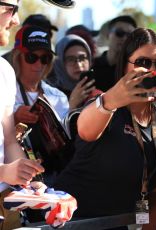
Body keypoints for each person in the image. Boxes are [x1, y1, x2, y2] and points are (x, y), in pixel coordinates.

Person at [54, 28, 156, 229]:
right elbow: (86, 130)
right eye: (143, 63)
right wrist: (111, 100)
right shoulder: (104, 105)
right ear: (124, 67)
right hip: (69, 221)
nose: (153, 71)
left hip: (115, 223)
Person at [0, 1, 45, 229]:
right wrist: (4, 172)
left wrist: (26, 179)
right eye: (11, 8)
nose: (16, 20)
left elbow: (8, 142)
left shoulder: (4, 72)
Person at [11, 25, 69, 185]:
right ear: (17, 57)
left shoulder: (58, 96)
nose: (39, 64)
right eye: (31, 57)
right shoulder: (4, 90)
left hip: (53, 174)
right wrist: (14, 119)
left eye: (45, 58)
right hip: (12, 175)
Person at [49, 34, 98, 110]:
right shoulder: (49, 95)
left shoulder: (99, 97)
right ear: (60, 63)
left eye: (82, 58)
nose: (78, 64)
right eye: (71, 59)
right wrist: (71, 105)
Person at [92, 15, 137, 92]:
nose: (125, 38)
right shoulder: (92, 67)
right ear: (108, 35)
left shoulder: (135, 70)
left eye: (130, 35)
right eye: (119, 33)